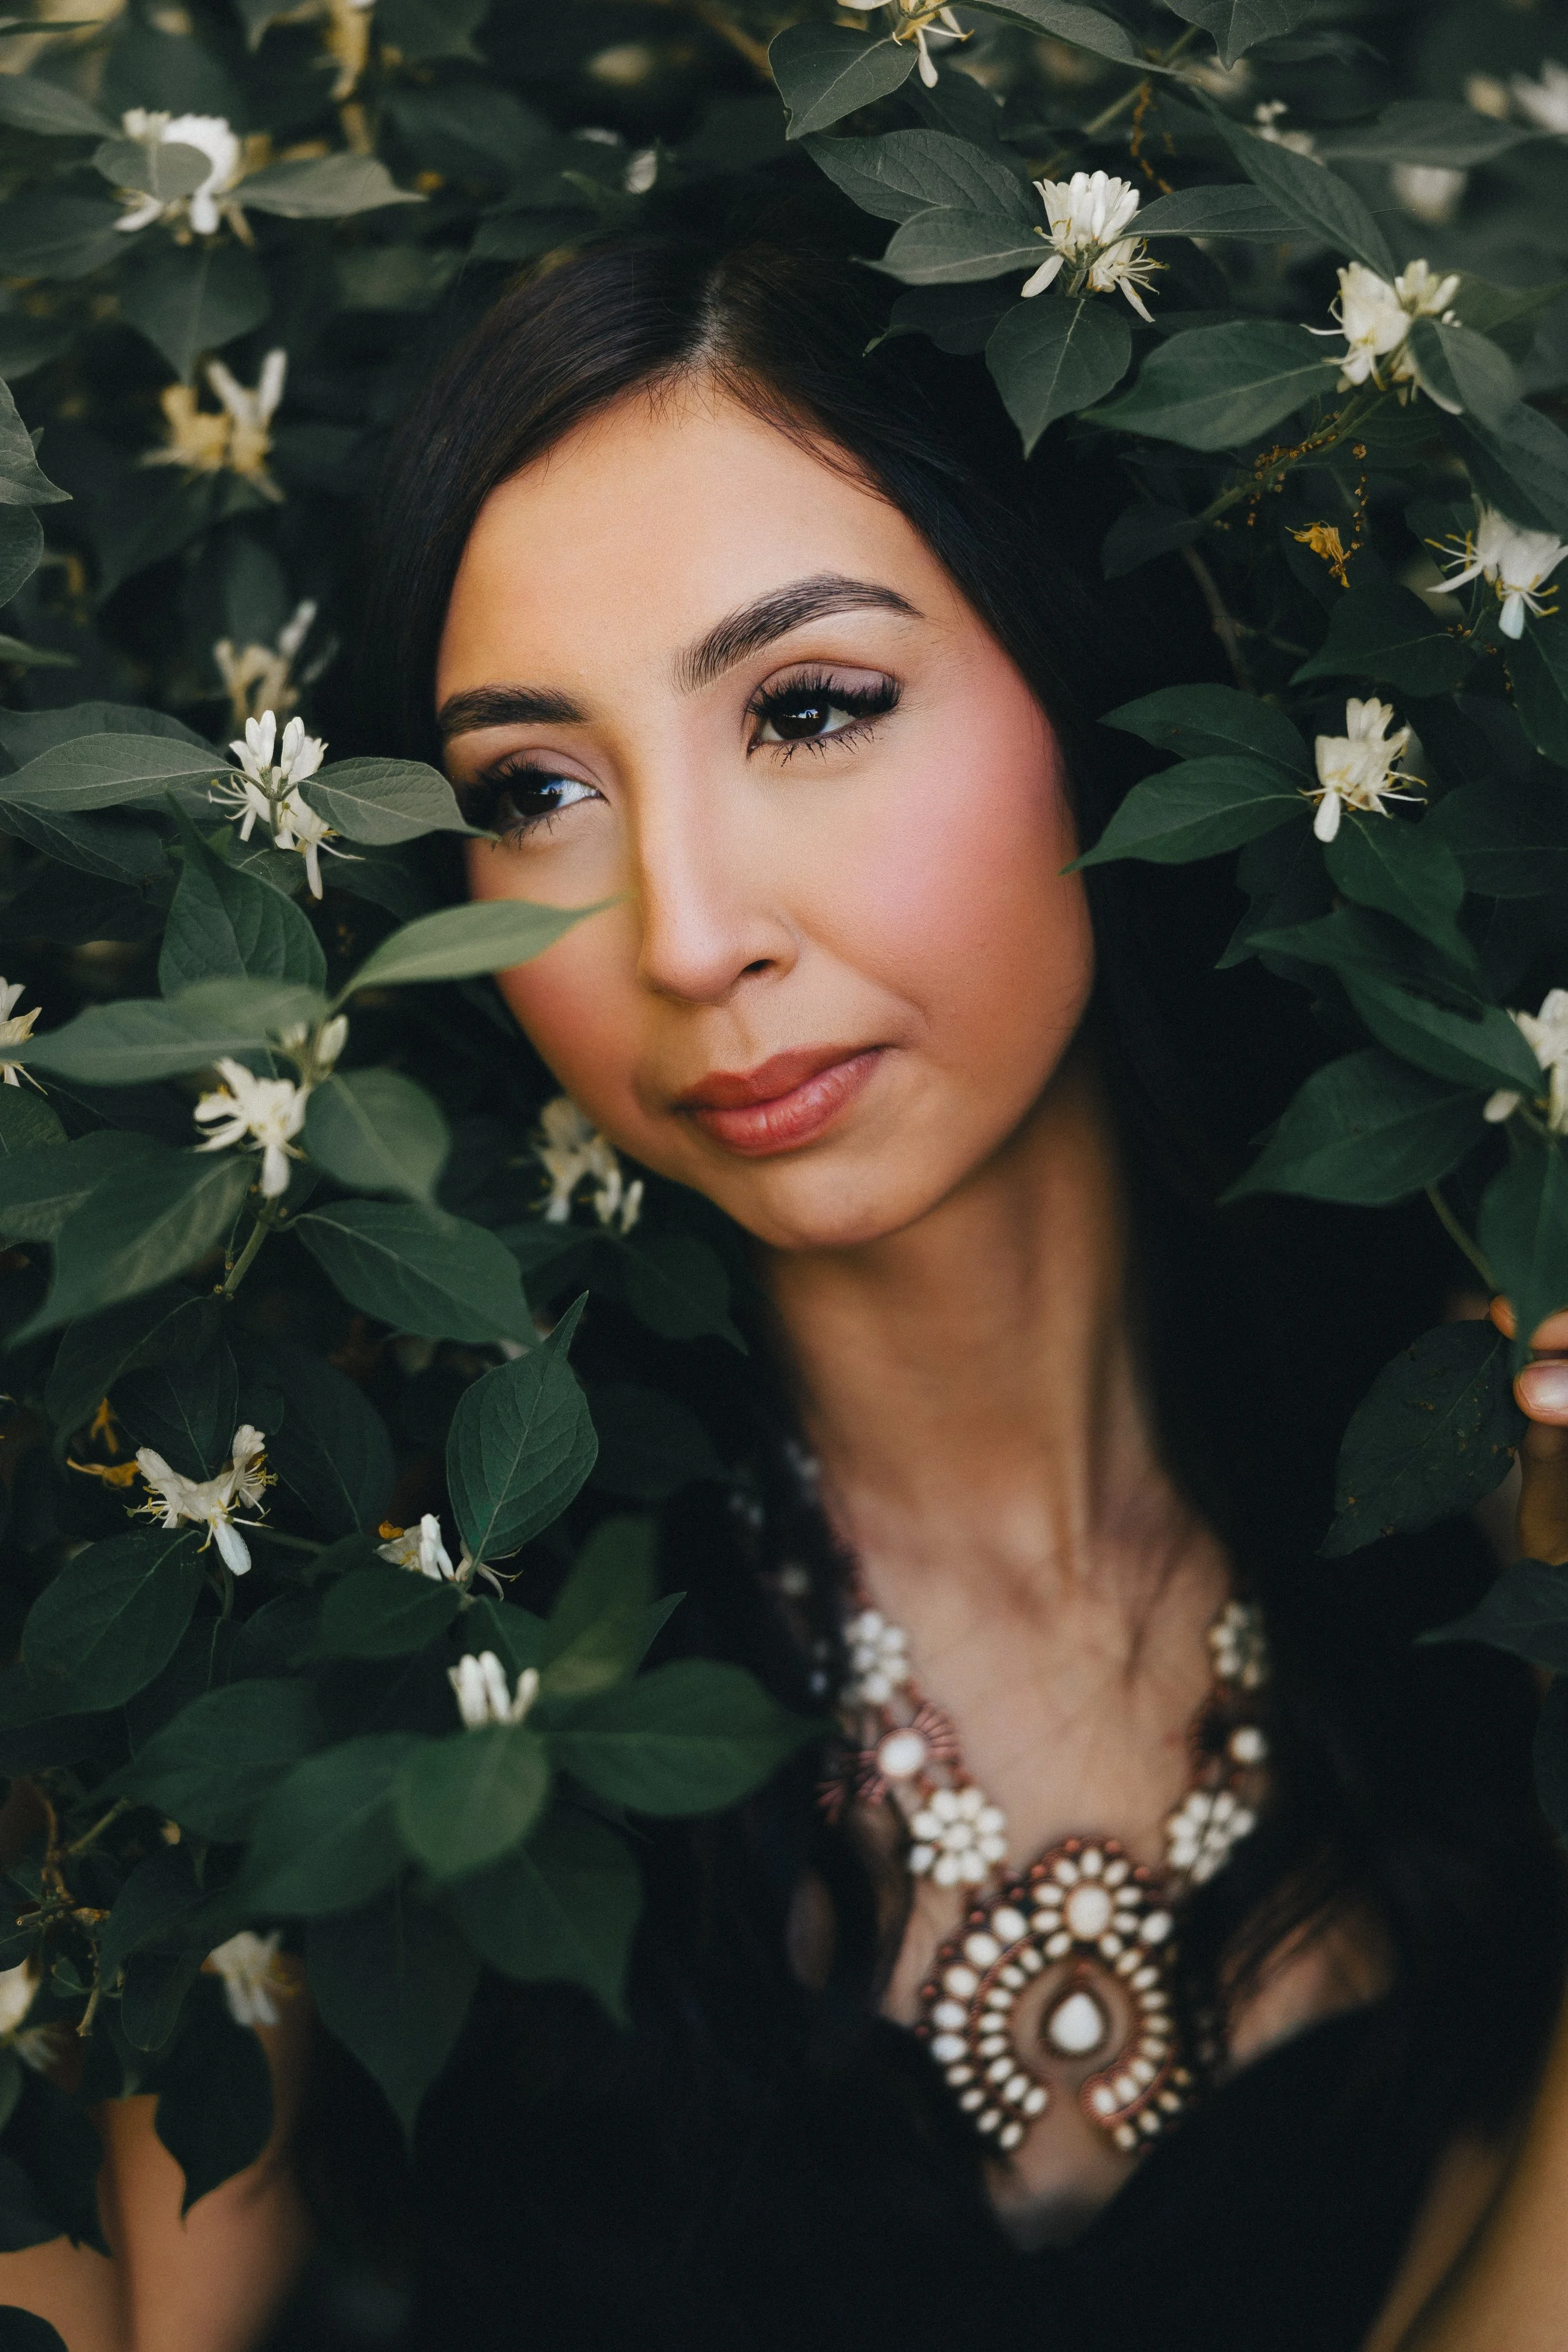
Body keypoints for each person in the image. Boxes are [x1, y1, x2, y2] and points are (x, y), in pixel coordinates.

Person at [6, 231, 1568, 2352]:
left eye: (808, 709)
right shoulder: (340, 1613)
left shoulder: (1469, 1502)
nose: (684, 932)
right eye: (534, 791)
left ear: (1087, 685)